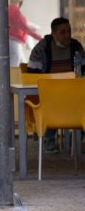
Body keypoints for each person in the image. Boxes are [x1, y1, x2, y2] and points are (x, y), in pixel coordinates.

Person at [26, 17, 85, 152]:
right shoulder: (42, 48)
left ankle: (78, 134)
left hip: (73, 92)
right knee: (51, 100)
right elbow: (32, 74)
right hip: (50, 94)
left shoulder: (76, 46)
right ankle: (49, 138)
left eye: (69, 31)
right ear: (53, 34)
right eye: (62, 32)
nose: (67, 35)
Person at [7, 0, 41, 66]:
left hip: (14, 41)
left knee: (22, 65)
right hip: (14, 41)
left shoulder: (11, 9)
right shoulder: (14, 10)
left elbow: (21, 24)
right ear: (19, 1)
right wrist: (38, 37)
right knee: (14, 65)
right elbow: (24, 26)